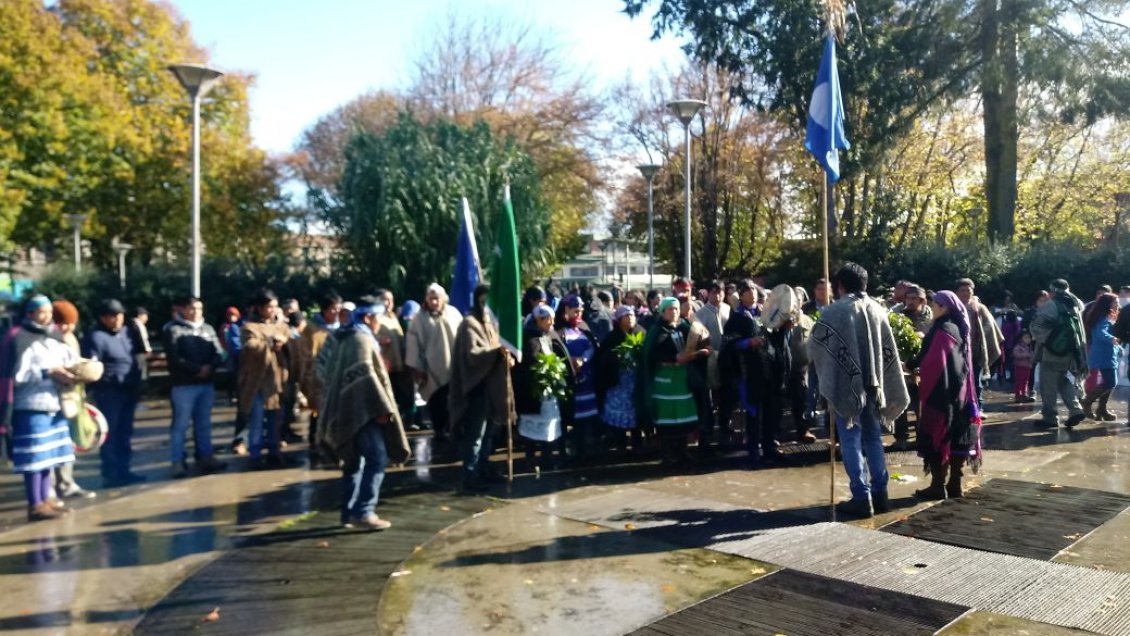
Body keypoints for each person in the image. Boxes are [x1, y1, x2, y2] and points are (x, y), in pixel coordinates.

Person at [808, 263, 909, 518]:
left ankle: (861, 497)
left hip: (847, 386)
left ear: (840, 285)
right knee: (874, 438)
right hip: (875, 386)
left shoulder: (835, 311)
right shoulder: (879, 309)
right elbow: (887, 351)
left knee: (851, 439)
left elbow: (816, 345)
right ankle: (881, 494)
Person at [319, 297, 409, 530]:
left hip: (345, 409)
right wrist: (379, 408)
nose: (379, 322)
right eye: (377, 317)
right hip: (364, 411)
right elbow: (365, 380)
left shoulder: (343, 337)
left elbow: (326, 372)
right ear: (368, 317)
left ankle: (348, 513)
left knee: (353, 462)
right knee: (377, 458)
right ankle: (364, 511)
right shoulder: (361, 340)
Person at [1, 296, 80, 520]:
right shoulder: (18, 338)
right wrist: (47, 372)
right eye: (40, 312)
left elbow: (69, 359)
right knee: (34, 458)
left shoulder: (54, 336)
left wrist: (77, 370)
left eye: (48, 312)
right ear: (30, 313)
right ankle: (35, 503)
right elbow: (16, 375)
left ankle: (48, 500)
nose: (45, 316)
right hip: (30, 406)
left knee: (49, 457)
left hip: (55, 404)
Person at [912, 291, 984, 500]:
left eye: (935, 305)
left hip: (942, 394)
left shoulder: (942, 330)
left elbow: (935, 362)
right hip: (961, 393)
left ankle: (937, 486)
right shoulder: (958, 327)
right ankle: (955, 484)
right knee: (957, 438)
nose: (932, 308)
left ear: (944, 307)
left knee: (940, 434)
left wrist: (917, 368)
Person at [449, 285, 515, 492]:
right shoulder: (469, 324)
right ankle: (470, 475)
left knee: (489, 435)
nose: (486, 305)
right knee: (475, 435)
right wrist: (497, 352)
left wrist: (507, 356)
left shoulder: (492, 324)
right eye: (483, 301)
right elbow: (473, 355)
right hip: (475, 389)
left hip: (492, 388)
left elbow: (499, 351)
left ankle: (484, 468)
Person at [163, 296, 228, 477]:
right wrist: (196, 369)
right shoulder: (173, 330)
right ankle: (177, 461)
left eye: (199, 308)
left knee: (204, 424)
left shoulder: (208, 329)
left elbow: (218, 352)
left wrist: (210, 367)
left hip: (206, 384)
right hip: (184, 385)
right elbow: (175, 358)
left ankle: (205, 457)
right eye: (192, 308)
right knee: (180, 425)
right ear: (183, 310)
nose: (196, 312)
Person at [639, 297, 707, 467]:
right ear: (662, 312)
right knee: (667, 417)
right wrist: (673, 357)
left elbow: (697, 344)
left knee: (684, 416)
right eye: (669, 309)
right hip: (665, 380)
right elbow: (651, 355)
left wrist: (702, 351)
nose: (674, 312)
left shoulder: (685, 327)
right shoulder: (656, 331)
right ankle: (667, 454)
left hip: (683, 379)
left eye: (676, 308)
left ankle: (683, 451)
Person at [83, 299, 143, 488]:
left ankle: (125, 470)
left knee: (125, 433)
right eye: (112, 316)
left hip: (129, 389)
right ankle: (111, 474)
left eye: (119, 315)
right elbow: (92, 366)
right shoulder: (96, 337)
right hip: (109, 392)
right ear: (103, 318)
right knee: (111, 435)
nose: (117, 319)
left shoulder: (127, 332)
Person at [721, 280, 775, 464]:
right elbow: (728, 343)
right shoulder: (736, 317)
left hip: (768, 369)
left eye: (753, 289)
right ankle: (753, 452)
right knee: (753, 412)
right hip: (748, 371)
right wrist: (747, 343)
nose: (752, 293)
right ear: (741, 295)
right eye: (747, 290)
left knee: (769, 411)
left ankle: (769, 449)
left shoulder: (765, 313)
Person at [238, 289, 291, 467]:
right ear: (260, 308)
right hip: (258, 380)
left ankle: (275, 451)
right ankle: (255, 453)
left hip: (278, 380)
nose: (273, 310)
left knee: (277, 418)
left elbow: (293, 344)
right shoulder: (249, 327)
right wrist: (269, 342)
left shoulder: (282, 326)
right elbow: (250, 346)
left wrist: (284, 342)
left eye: (275, 307)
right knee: (257, 419)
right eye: (269, 307)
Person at [405, 283, 463, 443]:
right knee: (436, 402)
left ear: (443, 299)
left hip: (454, 368)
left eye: (437, 299)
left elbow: (463, 337)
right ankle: (439, 431)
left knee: (453, 402)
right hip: (430, 370)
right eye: (431, 299)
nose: (434, 302)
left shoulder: (453, 314)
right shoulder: (419, 318)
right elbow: (413, 343)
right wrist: (417, 367)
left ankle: (453, 430)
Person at [50, 300, 96, 500]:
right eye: (62, 323)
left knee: (68, 442)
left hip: (72, 396)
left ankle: (67, 483)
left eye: (71, 323)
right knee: (50, 445)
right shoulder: (47, 340)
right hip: (51, 399)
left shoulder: (71, 338)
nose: (67, 327)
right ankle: (50, 489)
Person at [515, 304, 570, 469]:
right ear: (539, 320)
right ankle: (532, 459)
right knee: (533, 427)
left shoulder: (546, 335)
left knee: (549, 425)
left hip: (548, 392)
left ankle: (547, 458)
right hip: (534, 392)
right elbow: (530, 362)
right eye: (548, 319)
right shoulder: (529, 338)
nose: (552, 322)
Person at [1030, 279, 1087, 428]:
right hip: (1072, 351)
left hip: (1052, 351)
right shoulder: (1076, 304)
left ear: (1053, 290)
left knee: (1047, 384)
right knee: (1062, 380)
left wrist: (1046, 340)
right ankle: (1075, 409)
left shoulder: (1052, 304)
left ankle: (1050, 418)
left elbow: (1037, 326)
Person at [556, 295, 601, 461]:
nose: (578, 313)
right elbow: (556, 350)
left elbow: (593, 347)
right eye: (575, 310)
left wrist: (584, 359)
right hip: (569, 380)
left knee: (586, 418)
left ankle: (585, 448)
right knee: (568, 415)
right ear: (565, 310)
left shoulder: (584, 327)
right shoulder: (558, 330)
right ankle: (566, 450)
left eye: (580, 310)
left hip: (586, 379)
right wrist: (570, 362)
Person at [300, 292, 342, 461]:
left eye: (339, 309)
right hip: (317, 375)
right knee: (318, 410)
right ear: (324, 310)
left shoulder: (342, 327)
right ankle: (315, 443)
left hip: (337, 374)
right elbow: (306, 355)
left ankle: (333, 442)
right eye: (333, 309)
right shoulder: (311, 329)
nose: (336, 313)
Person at [595, 306, 642, 453]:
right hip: (618, 383)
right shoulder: (612, 338)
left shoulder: (640, 333)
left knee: (636, 411)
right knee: (619, 414)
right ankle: (620, 444)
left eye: (632, 315)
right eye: (626, 316)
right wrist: (617, 359)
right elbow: (602, 358)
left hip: (635, 382)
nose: (630, 318)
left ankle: (637, 443)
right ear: (619, 319)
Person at [694, 280, 730, 451]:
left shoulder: (728, 309)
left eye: (721, 292)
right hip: (708, 359)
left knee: (725, 396)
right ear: (708, 293)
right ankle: (705, 433)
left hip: (726, 358)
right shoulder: (700, 314)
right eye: (714, 292)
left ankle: (725, 429)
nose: (718, 295)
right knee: (707, 398)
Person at [955, 279, 1003, 407]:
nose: (965, 293)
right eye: (962, 290)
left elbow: (989, 325)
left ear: (972, 291)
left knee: (976, 380)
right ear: (957, 292)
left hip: (976, 350)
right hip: (957, 350)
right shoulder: (952, 307)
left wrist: (975, 334)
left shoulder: (979, 308)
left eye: (968, 290)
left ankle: (978, 406)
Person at [376, 289, 414, 431]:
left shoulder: (393, 317)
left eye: (391, 299)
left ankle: (404, 422)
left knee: (402, 395)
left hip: (399, 364)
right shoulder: (376, 318)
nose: (389, 303)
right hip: (385, 366)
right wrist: (379, 340)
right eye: (386, 299)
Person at [1082, 292, 1120, 421]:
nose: (1118, 304)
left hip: (1107, 353)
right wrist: (1112, 338)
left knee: (1109, 383)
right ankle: (1087, 402)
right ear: (1108, 304)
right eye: (1115, 302)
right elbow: (1100, 332)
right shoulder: (1103, 317)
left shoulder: (1105, 316)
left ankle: (1102, 409)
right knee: (1111, 382)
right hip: (1104, 354)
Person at [128, 307, 151, 383]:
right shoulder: (137, 325)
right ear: (140, 315)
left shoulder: (130, 324)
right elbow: (141, 339)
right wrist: (146, 350)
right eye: (146, 315)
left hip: (134, 353)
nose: (147, 318)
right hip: (139, 353)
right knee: (141, 373)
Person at [1012, 332, 1036, 403]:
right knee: (1019, 381)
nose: (1028, 339)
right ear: (1021, 339)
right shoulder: (1018, 347)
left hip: (1027, 367)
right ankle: (1018, 395)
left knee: (1025, 382)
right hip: (1020, 367)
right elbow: (1016, 354)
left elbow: (1032, 356)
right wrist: (1027, 355)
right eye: (1025, 337)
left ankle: (1024, 394)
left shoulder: (1029, 348)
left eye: (1029, 338)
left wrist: (1032, 358)